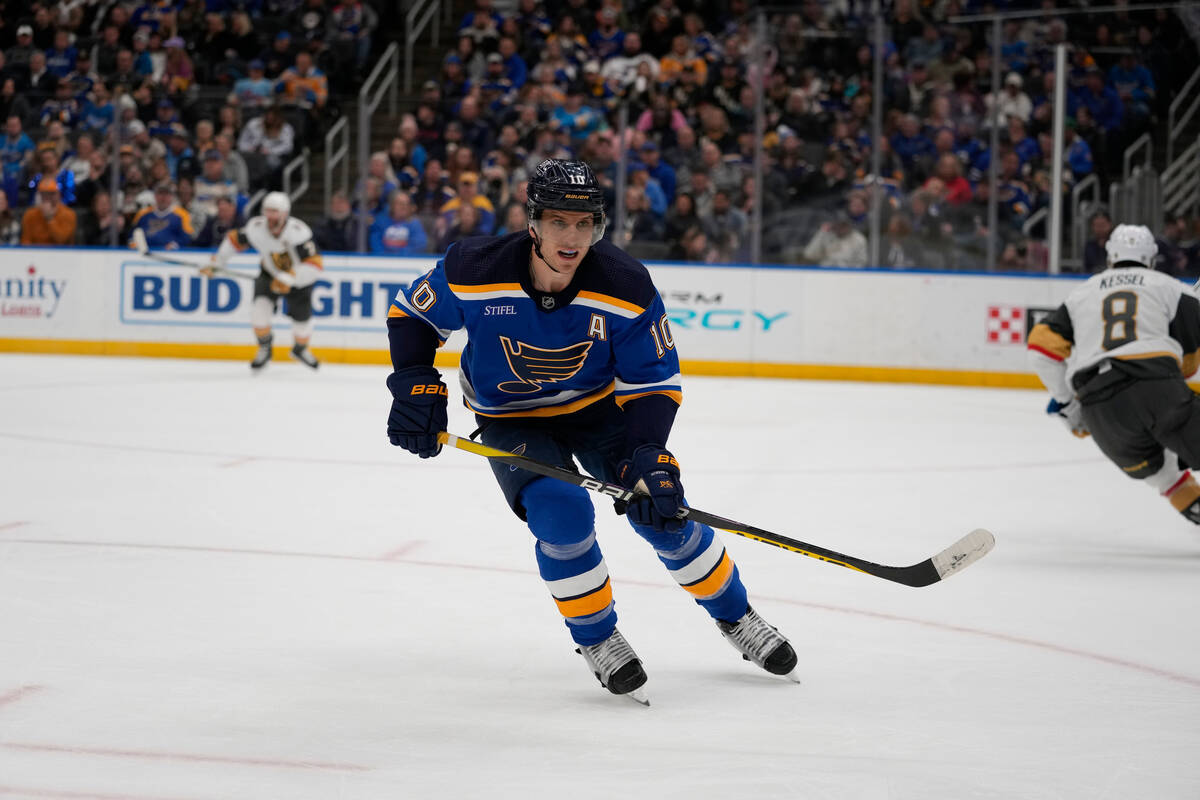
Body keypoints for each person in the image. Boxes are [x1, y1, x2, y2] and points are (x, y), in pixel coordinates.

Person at [384, 159, 797, 703]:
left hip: (600, 410)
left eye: (585, 224)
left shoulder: (624, 284)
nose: (572, 237)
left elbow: (653, 379)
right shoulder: (474, 267)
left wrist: (649, 452)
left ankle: (737, 616)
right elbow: (413, 314)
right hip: (511, 418)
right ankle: (598, 639)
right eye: (558, 222)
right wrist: (414, 380)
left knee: (665, 513)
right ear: (533, 222)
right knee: (562, 513)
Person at [1027, 224, 1200, 525]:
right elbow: (1189, 365)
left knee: (1164, 476)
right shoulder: (1168, 287)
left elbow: (1041, 349)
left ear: (1110, 258)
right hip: (1157, 387)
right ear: (1151, 258)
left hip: (1100, 410)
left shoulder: (1080, 295)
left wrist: (1069, 404)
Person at [202, 191, 324, 370]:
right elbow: (234, 240)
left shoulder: (299, 233)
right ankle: (265, 348)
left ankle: (300, 348)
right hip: (269, 275)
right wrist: (218, 263)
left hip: (299, 281)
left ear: (284, 214)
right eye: (267, 211)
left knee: (302, 325)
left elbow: (315, 264)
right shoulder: (256, 227)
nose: (270, 217)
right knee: (259, 313)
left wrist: (291, 278)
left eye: (275, 212)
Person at [21, 178, 76, 244]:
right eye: (44, 194)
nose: (47, 197)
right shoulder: (30, 215)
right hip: (36, 252)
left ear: (58, 195)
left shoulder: (69, 214)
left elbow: (62, 240)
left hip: (61, 252)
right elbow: (26, 241)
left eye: (52, 194)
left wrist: (50, 219)